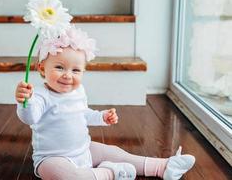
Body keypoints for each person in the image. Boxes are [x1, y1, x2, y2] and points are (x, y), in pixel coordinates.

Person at [15, 25, 195, 180]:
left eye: (76, 70)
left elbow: (83, 115)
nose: (68, 75)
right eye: (59, 67)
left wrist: (101, 117)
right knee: (65, 177)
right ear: (42, 68)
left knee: (116, 153)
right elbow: (30, 118)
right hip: (52, 159)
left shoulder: (78, 91)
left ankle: (163, 167)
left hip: (84, 150)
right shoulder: (38, 95)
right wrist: (26, 101)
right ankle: (110, 173)